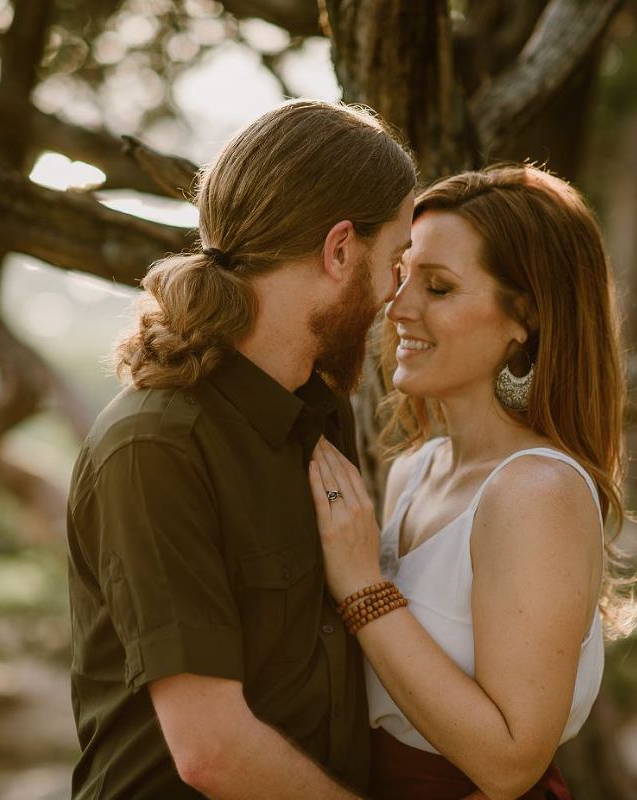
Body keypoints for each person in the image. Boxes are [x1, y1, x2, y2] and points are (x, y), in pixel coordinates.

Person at [64, 99, 415, 799]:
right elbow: (212, 749)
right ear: (341, 250)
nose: (397, 298)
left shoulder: (319, 413)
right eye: (397, 262)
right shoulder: (154, 448)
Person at [307, 164, 637, 800]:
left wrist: (361, 588)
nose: (398, 307)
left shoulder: (535, 493)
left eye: (438, 287)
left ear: (525, 318)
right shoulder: (414, 469)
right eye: (402, 276)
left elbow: (511, 764)